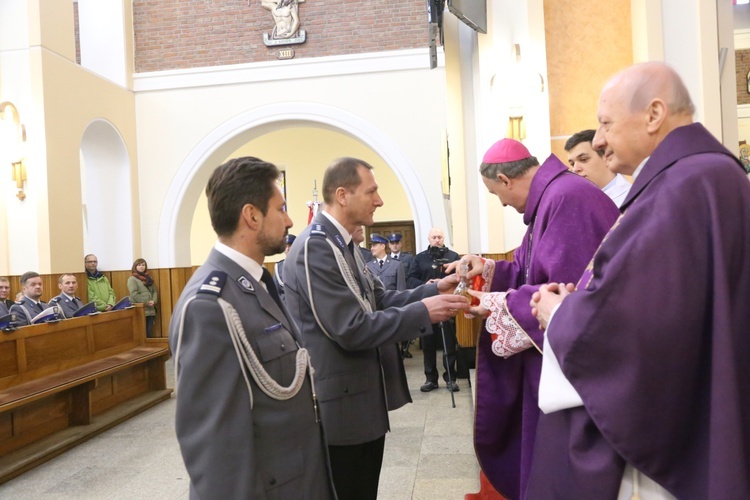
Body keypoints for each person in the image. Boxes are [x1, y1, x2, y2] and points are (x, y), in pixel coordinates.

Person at [527, 62, 750, 499]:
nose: (597, 139)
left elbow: (641, 329)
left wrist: (561, 315)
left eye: (606, 123)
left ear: (653, 114)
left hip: (663, 444)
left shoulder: (680, 186)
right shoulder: (710, 176)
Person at [283, 157, 469, 500]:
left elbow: (379, 299)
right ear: (342, 195)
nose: (379, 200)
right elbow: (350, 328)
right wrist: (425, 312)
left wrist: (434, 290)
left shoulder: (343, 244)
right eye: (372, 191)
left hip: (360, 401)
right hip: (341, 408)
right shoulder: (316, 246)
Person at [456, 138, 619, 499]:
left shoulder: (567, 199)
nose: (500, 201)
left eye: (494, 192)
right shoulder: (552, 198)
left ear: (505, 179)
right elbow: (531, 270)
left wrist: (498, 304)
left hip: (578, 382)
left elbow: (566, 292)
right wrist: (489, 268)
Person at [169, 156, 336, 499]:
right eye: (281, 209)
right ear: (252, 215)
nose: (290, 220)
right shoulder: (210, 305)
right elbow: (215, 449)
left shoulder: (254, 280)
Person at [407, 227, 461, 392]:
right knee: (428, 344)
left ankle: (451, 378)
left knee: (449, 344)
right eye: (434, 237)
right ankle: (431, 379)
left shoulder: (453, 257)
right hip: (427, 305)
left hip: (448, 303)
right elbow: (410, 279)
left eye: (440, 237)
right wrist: (426, 285)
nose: (437, 240)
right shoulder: (420, 258)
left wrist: (446, 283)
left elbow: (462, 278)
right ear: (429, 239)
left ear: (444, 238)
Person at [565, 128, 631, 206]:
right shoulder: (573, 202)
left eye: (583, 159)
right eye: (572, 164)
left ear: (606, 157)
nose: (575, 169)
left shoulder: (631, 200)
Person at [388, 232, 415, 357]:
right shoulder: (385, 259)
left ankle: (405, 348)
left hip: (405, 292)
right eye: (392, 243)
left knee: (406, 320)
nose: (394, 246)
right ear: (388, 245)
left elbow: (410, 275)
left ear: (401, 244)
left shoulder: (408, 258)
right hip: (391, 293)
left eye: (397, 243)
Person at [128, 259, 158, 337]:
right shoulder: (132, 279)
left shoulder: (149, 278)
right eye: (139, 265)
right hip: (141, 309)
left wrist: (154, 301)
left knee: (149, 331)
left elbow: (154, 291)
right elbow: (134, 294)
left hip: (151, 309)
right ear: (135, 267)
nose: (141, 267)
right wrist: (147, 302)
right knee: (142, 333)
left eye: (143, 265)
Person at [273, 233, 295, 302]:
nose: (288, 249)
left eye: (290, 245)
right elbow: (276, 291)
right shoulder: (278, 267)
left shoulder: (302, 265)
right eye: (286, 246)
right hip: (285, 307)